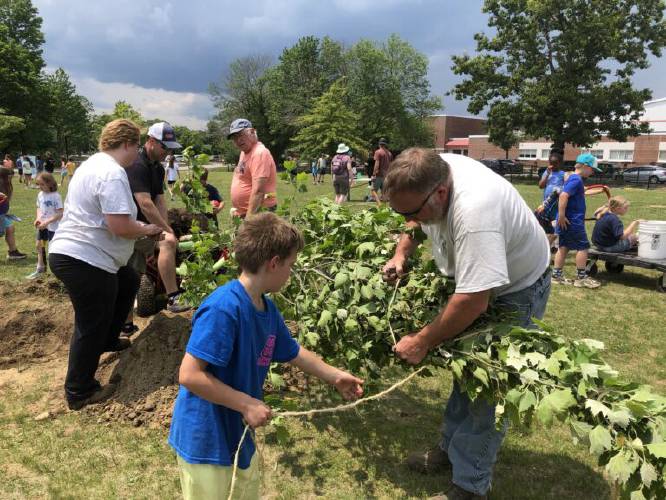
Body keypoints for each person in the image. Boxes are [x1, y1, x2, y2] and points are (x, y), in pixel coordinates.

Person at [382, 148, 551, 500]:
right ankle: (450, 450)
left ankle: (470, 487)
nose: (410, 218)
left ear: (440, 193)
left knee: (490, 385)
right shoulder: (427, 171)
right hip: (479, 280)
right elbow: (414, 218)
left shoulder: (476, 211)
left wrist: (422, 340)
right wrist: (401, 252)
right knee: (466, 372)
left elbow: (474, 299)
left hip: (516, 290)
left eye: (412, 212)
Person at [168, 212, 363, 500]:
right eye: (290, 266)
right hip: (206, 442)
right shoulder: (224, 308)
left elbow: (293, 352)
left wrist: (335, 376)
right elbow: (189, 375)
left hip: (238, 436)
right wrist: (245, 403)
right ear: (274, 263)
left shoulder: (266, 310)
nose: (290, 273)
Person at [49, 119, 163, 410]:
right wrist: (149, 229)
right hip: (84, 258)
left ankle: (109, 339)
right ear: (126, 144)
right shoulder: (111, 173)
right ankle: (79, 391)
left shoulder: (91, 164)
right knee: (90, 323)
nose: (136, 154)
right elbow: (120, 226)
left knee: (127, 280)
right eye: (136, 147)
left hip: (80, 253)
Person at [126, 121, 188, 313]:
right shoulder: (137, 164)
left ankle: (126, 325)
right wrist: (167, 232)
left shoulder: (158, 168)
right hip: (128, 225)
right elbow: (145, 204)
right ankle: (173, 297)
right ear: (151, 141)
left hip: (143, 226)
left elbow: (160, 201)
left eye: (170, 148)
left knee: (131, 276)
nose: (167, 152)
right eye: (164, 146)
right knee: (167, 242)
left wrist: (166, 225)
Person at [553, 153, 602, 288]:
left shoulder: (573, 179)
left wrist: (600, 190)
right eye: (592, 169)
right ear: (585, 166)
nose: (592, 172)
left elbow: (580, 193)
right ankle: (582, 277)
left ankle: (556, 275)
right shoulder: (576, 180)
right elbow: (563, 196)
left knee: (563, 247)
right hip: (572, 220)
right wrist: (562, 216)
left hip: (566, 220)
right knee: (583, 247)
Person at [227, 118, 278, 218]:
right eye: (234, 137)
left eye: (240, 135)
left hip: (259, 212)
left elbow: (259, 191)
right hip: (246, 212)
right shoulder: (244, 151)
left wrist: (248, 219)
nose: (238, 140)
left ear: (252, 132)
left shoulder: (259, 153)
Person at [27, 172, 63, 279]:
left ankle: (56, 273)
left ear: (50, 183)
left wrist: (47, 222)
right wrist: (38, 218)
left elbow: (60, 213)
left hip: (53, 227)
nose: (40, 187)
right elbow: (39, 208)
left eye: (42, 184)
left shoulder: (56, 196)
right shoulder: (40, 195)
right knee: (39, 245)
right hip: (42, 225)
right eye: (38, 184)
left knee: (52, 249)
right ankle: (40, 269)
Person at [536, 150, 565, 247]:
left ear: (560, 163)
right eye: (551, 163)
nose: (553, 165)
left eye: (555, 164)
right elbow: (541, 185)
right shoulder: (547, 172)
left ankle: (556, 246)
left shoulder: (562, 174)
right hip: (546, 202)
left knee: (555, 222)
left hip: (556, 203)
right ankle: (548, 244)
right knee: (545, 222)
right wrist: (547, 174)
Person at [0, 161, 27, 260]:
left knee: (10, 228)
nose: (11, 178)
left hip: (2, 214)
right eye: (9, 176)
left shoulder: (6, 186)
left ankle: (13, 252)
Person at [371, 138, 393, 206]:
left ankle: (379, 204)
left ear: (379, 144)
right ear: (385, 145)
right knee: (384, 192)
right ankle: (384, 208)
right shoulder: (389, 153)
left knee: (373, 190)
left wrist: (374, 174)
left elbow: (377, 164)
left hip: (379, 175)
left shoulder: (378, 152)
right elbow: (391, 164)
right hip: (386, 175)